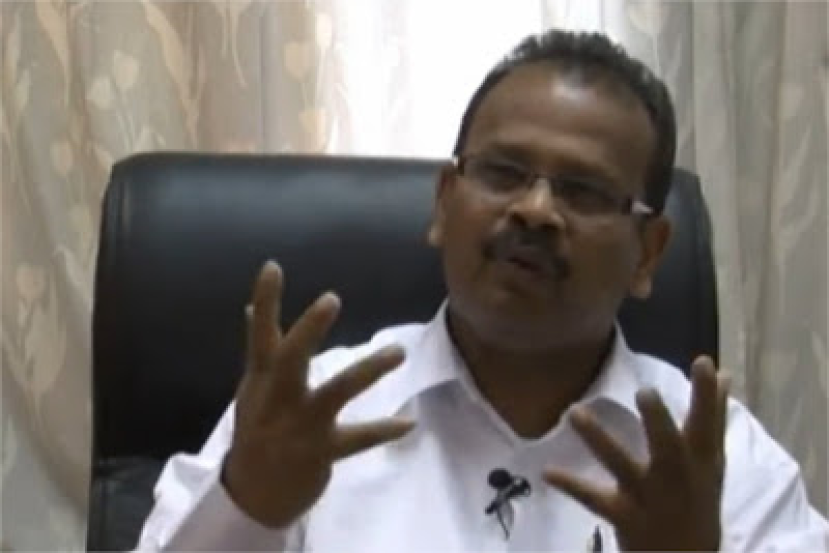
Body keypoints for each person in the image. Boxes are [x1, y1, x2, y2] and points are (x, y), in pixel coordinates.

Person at [136, 29, 828, 551]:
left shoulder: (716, 460)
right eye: (502, 172)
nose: (535, 209)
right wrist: (248, 507)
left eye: (583, 190)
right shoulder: (308, 415)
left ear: (647, 251)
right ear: (445, 202)